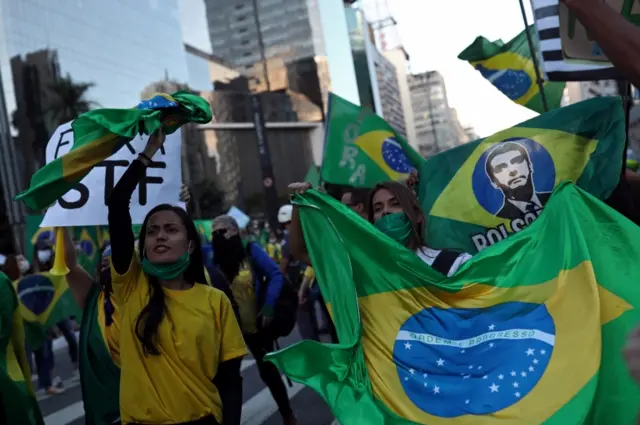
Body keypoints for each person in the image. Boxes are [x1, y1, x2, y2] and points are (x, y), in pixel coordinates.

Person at [107, 128, 247, 425]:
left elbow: (231, 381)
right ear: (142, 244)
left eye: (171, 230)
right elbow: (118, 203)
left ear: (191, 243)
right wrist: (148, 153)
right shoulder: (131, 286)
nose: (160, 236)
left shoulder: (215, 301)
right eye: (152, 231)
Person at [210, 215, 297, 425]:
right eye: (214, 233)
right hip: (227, 328)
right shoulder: (210, 256)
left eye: (223, 231)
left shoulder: (250, 251)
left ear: (235, 231)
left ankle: (288, 414)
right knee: (228, 378)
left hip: (257, 324)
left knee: (268, 370)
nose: (218, 236)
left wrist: (268, 306)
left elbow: (275, 274)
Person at [289, 181, 471, 278]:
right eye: (377, 208)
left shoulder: (454, 264)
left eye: (395, 204)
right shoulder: (363, 266)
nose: (385, 212)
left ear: (417, 216)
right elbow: (301, 251)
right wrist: (299, 203)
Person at [484, 141, 550, 219]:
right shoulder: (499, 221)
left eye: (517, 161)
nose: (512, 170)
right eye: (501, 168)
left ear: (530, 166)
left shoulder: (555, 198)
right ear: (494, 182)